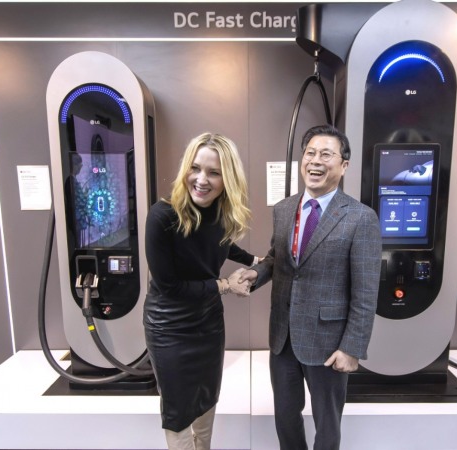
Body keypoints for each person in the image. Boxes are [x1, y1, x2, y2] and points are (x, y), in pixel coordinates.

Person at [239, 124, 382, 450]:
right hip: (283, 337)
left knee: (327, 425)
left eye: (326, 155)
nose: (316, 161)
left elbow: (365, 291)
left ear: (344, 165)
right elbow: (278, 258)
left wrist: (352, 348)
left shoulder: (360, 218)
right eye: (310, 153)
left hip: (328, 343)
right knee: (285, 418)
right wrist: (256, 274)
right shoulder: (284, 209)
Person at [143, 132, 258, 450]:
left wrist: (253, 260)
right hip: (169, 326)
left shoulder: (220, 213)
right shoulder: (162, 216)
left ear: (227, 179)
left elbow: (219, 241)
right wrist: (225, 285)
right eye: (195, 168)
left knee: (207, 395)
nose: (201, 179)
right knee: (178, 409)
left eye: (214, 172)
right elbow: (169, 287)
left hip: (208, 322)